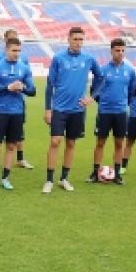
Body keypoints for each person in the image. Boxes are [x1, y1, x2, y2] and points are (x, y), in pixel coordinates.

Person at [43, 26, 98, 193]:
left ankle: (64, 178)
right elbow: (50, 85)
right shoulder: (58, 58)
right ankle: (49, 180)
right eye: (75, 39)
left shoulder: (89, 59)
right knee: (55, 141)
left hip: (78, 109)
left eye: (81, 39)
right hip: (59, 108)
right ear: (68, 39)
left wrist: (92, 97)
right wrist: (48, 109)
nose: (78, 42)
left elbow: (101, 79)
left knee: (71, 143)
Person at [0, 38, 36, 193]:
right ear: (6, 50)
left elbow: (33, 91)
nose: (17, 54)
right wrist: (7, 87)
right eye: (14, 50)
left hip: (17, 112)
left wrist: (23, 88)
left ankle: (5, 178)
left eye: (19, 51)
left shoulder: (24, 68)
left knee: (11, 146)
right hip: (0, 112)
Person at [88, 39, 136, 184]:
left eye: (122, 50)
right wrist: (104, 103)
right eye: (117, 50)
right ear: (111, 51)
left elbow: (131, 92)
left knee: (119, 143)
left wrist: (123, 104)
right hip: (104, 112)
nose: (120, 53)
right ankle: (95, 172)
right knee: (100, 142)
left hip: (121, 112)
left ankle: (117, 174)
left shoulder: (130, 71)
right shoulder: (102, 70)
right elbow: (94, 90)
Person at [0, 29, 34, 170]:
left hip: (19, 100)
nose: (13, 41)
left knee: (19, 129)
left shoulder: (23, 57)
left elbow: (29, 78)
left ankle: (20, 158)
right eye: (10, 38)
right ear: (5, 41)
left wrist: (23, 87)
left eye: (15, 38)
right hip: (2, 101)